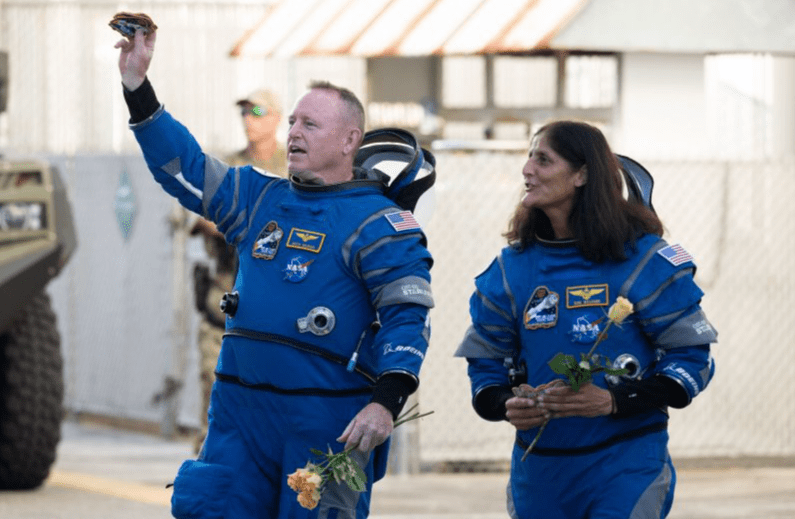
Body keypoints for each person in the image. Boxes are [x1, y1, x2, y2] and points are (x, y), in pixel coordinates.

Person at [115, 28, 434, 518]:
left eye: (311, 124)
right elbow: (182, 167)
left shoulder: (380, 224)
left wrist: (385, 402)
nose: (294, 133)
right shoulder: (257, 197)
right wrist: (138, 88)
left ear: (351, 140)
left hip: (323, 423)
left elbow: (407, 317)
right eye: (293, 122)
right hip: (238, 421)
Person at [455, 120, 717, 519]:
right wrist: (508, 402)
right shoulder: (511, 270)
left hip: (625, 463)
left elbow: (692, 360)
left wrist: (613, 401)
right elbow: (486, 367)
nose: (527, 169)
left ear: (582, 174)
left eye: (543, 159)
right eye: (529, 158)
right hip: (540, 468)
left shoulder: (645, 260)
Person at [190, 88, 287, 453]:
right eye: (244, 112)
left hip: (277, 307)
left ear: (277, 117)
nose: (249, 119)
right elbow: (202, 217)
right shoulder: (228, 167)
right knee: (214, 395)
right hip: (226, 301)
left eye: (258, 111)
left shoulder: (292, 168)